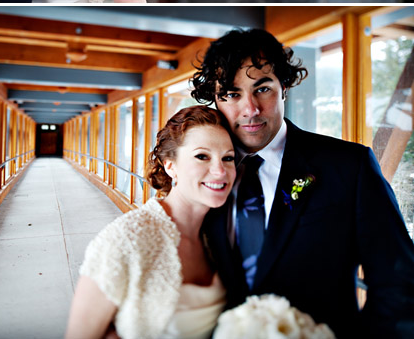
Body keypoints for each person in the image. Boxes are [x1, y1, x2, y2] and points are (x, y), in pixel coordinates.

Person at [191, 28, 414, 339]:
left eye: (263, 88)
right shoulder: (199, 176)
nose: (250, 109)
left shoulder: (350, 166)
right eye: (231, 94)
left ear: (283, 87)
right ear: (215, 99)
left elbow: (399, 284)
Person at [64, 106, 236, 339]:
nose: (220, 171)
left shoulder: (223, 233)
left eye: (228, 158)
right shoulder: (125, 238)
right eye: (202, 156)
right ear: (170, 166)